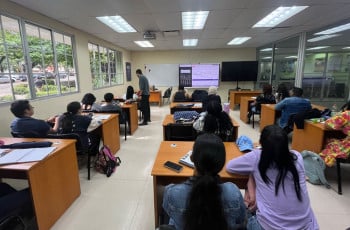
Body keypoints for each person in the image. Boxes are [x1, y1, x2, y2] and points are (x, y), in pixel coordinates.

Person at [226, 125, 319, 230]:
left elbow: (230, 167)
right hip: (306, 226)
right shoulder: (297, 157)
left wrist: (252, 177)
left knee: (246, 205)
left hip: (267, 227)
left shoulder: (257, 157)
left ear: (261, 143)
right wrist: (252, 177)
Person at [162, 133, 246, 230]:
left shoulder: (172, 192)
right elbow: (240, 219)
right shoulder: (233, 192)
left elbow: (169, 213)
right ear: (221, 163)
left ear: (192, 157)